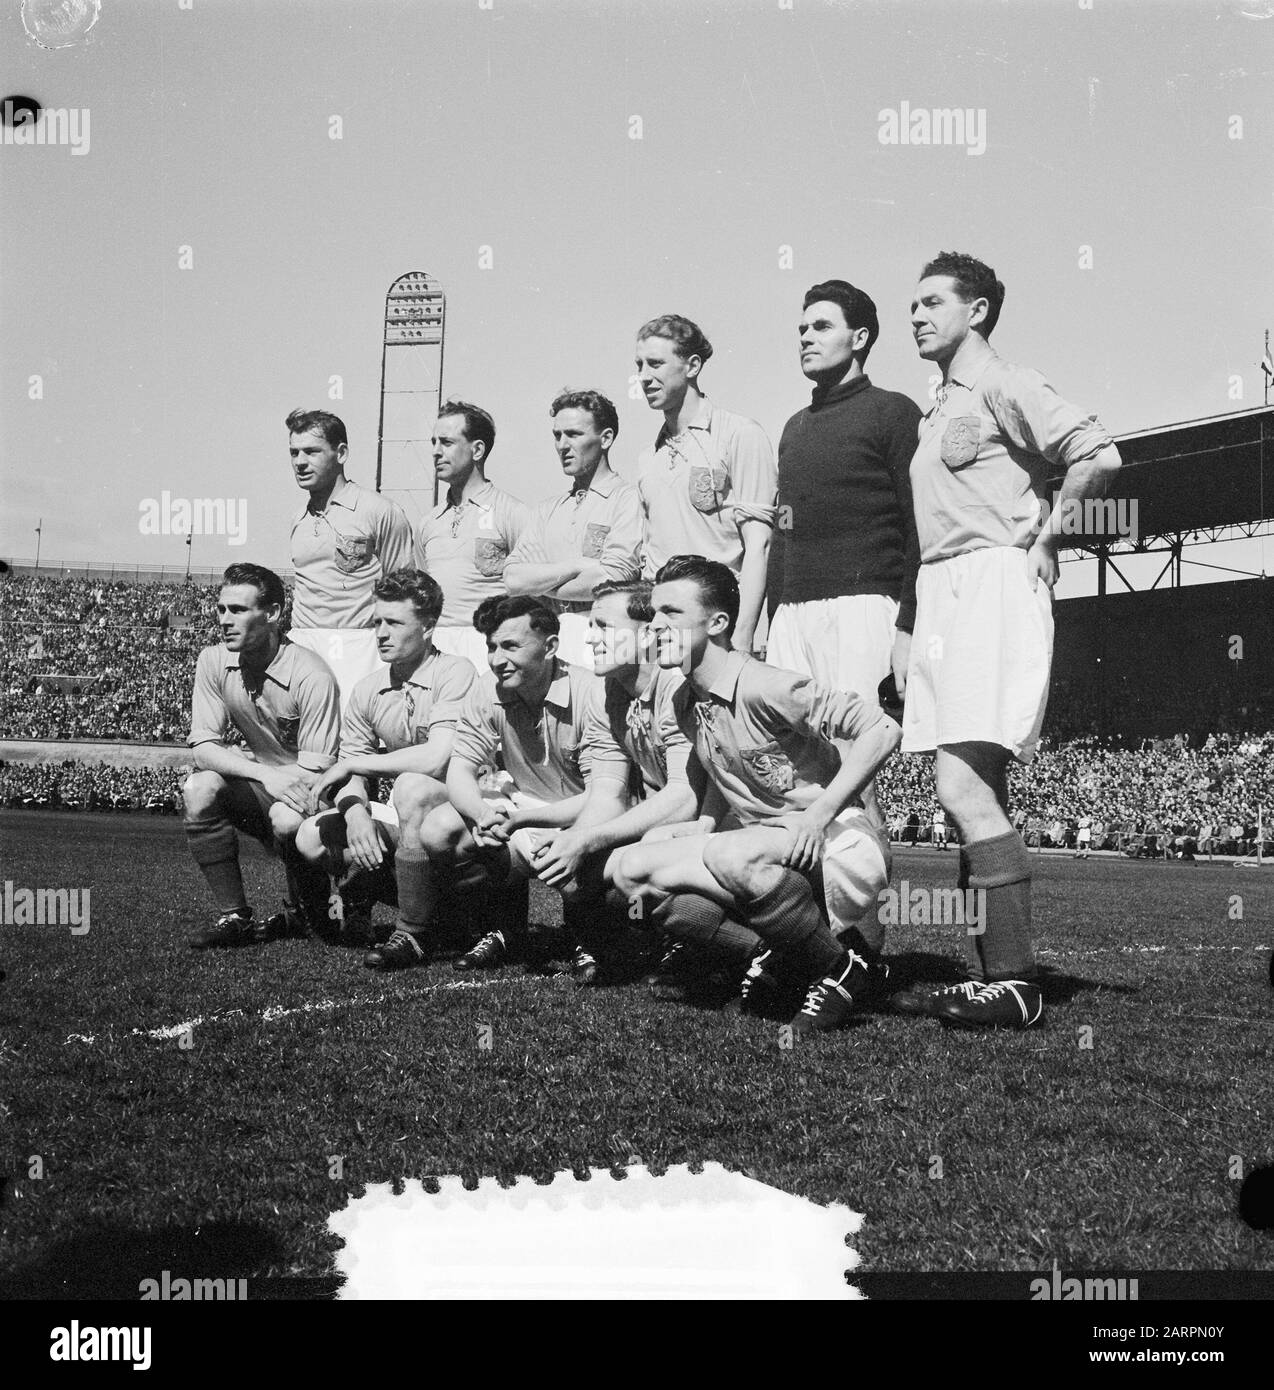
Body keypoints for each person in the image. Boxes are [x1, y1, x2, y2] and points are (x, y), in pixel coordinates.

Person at [893, 251, 1122, 1029]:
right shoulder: (938, 405)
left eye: (932, 303)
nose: (916, 316)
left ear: (978, 310)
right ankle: (998, 974)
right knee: (967, 788)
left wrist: (1052, 539)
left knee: (958, 788)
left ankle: (1017, 983)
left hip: (992, 581)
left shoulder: (1005, 381)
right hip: (944, 589)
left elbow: (1098, 454)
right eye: (912, 304)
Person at [613, 556, 902, 1034]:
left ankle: (839, 971)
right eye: (653, 614)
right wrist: (698, 825)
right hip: (771, 849)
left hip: (835, 844)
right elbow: (727, 781)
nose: (656, 626)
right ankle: (787, 957)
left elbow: (882, 728)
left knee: (729, 854)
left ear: (719, 622)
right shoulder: (686, 701)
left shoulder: (767, 685)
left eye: (672, 613)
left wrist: (819, 814)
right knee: (631, 869)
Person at [530, 578, 760, 996]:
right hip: (684, 823)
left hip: (731, 820)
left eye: (604, 627)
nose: (592, 640)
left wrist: (590, 838)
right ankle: (665, 945)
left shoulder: (676, 686)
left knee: (639, 853)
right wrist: (577, 839)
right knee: (581, 860)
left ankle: (757, 950)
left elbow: (684, 797)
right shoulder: (608, 692)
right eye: (590, 627)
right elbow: (608, 792)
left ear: (648, 633)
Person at [767, 280, 921, 777]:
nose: (807, 337)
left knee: (856, 767)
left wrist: (908, 626)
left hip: (863, 608)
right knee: (800, 770)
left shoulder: (894, 411)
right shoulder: (793, 427)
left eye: (822, 326)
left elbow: (920, 525)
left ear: (859, 338)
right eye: (802, 329)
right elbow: (782, 530)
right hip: (792, 615)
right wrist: (772, 620)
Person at [403, 595, 601, 979]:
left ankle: (587, 934)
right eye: (491, 647)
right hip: (522, 804)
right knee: (441, 828)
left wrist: (528, 821)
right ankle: (503, 928)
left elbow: (603, 797)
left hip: (582, 810)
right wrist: (481, 813)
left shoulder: (590, 692)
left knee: (587, 864)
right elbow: (459, 771)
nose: (496, 659)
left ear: (551, 647)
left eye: (511, 645)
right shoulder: (487, 687)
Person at [292, 569, 477, 966]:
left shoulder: (455, 672)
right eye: (376, 621)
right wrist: (355, 811)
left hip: (459, 818)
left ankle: (414, 931)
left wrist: (358, 763)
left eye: (394, 622)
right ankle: (370, 904)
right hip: (406, 818)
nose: (381, 632)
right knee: (313, 835)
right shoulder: (367, 689)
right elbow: (350, 777)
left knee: (411, 786)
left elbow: (437, 758)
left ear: (428, 626)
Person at [182, 563, 341, 948]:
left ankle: (319, 905)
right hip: (269, 783)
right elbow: (203, 748)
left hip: (320, 791)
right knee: (198, 789)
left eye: (237, 610)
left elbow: (314, 774)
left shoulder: (311, 675)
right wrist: (262, 774)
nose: (224, 620)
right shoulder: (213, 661)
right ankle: (235, 917)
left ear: (272, 614)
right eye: (221, 609)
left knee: (286, 818)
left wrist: (269, 777)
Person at [634, 314, 778, 654]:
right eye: (639, 365)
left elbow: (760, 547)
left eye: (655, 363)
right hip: (661, 633)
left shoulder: (740, 435)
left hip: (718, 627)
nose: (643, 376)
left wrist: (743, 637)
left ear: (692, 365)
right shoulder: (646, 459)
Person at [503, 390, 642, 667]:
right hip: (550, 639)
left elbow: (613, 578)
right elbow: (513, 580)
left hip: (606, 636)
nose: (562, 445)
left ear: (606, 438)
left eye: (574, 434)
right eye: (557, 435)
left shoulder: (628, 499)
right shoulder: (547, 509)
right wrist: (576, 566)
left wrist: (543, 585)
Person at [286, 409, 415, 705]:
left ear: (341, 453)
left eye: (311, 451)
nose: (300, 462)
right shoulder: (298, 519)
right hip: (304, 642)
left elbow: (404, 589)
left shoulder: (379, 511)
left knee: (358, 744)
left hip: (359, 647)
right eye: (294, 453)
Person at [416, 401, 530, 670]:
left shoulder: (513, 513)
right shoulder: (428, 523)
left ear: (477, 449)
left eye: (446, 442)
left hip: (490, 647)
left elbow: (531, 593)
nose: (435, 452)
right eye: (433, 442)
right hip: (437, 647)